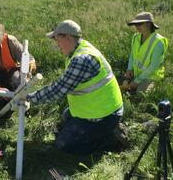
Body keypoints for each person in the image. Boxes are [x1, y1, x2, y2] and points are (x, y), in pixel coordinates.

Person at [24, 20, 128, 154]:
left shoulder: (81, 59)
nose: (57, 45)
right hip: (99, 107)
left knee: (64, 145)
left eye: (58, 40)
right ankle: (106, 130)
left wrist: (30, 98)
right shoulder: (79, 49)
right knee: (66, 117)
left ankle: (111, 139)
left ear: (68, 37)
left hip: (105, 114)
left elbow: (58, 90)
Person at [123, 12, 168, 94]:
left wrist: (137, 81)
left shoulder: (158, 42)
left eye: (139, 24)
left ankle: (155, 86)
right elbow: (132, 55)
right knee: (124, 87)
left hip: (152, 76)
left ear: (148, 24)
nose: (136, 26)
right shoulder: (135, 37)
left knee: (140, 93)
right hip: (137, 73)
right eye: (135, 24)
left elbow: (153, 66)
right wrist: (129, 69)